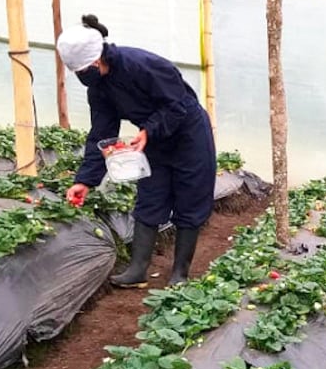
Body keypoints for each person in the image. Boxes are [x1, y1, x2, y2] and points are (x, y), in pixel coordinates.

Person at [56, 15, 216, 287]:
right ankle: (137, 270)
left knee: (191, 199)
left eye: (83, 70)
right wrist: (85, 180)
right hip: (152, 140)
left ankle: (179, 273)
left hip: (189, 135)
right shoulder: (99, 88)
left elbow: (178, 106)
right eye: (77, 73)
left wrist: (148, 131)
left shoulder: (144, 66)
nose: (81, 76)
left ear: (97, 59)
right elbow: (101, 133)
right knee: (150, 198)